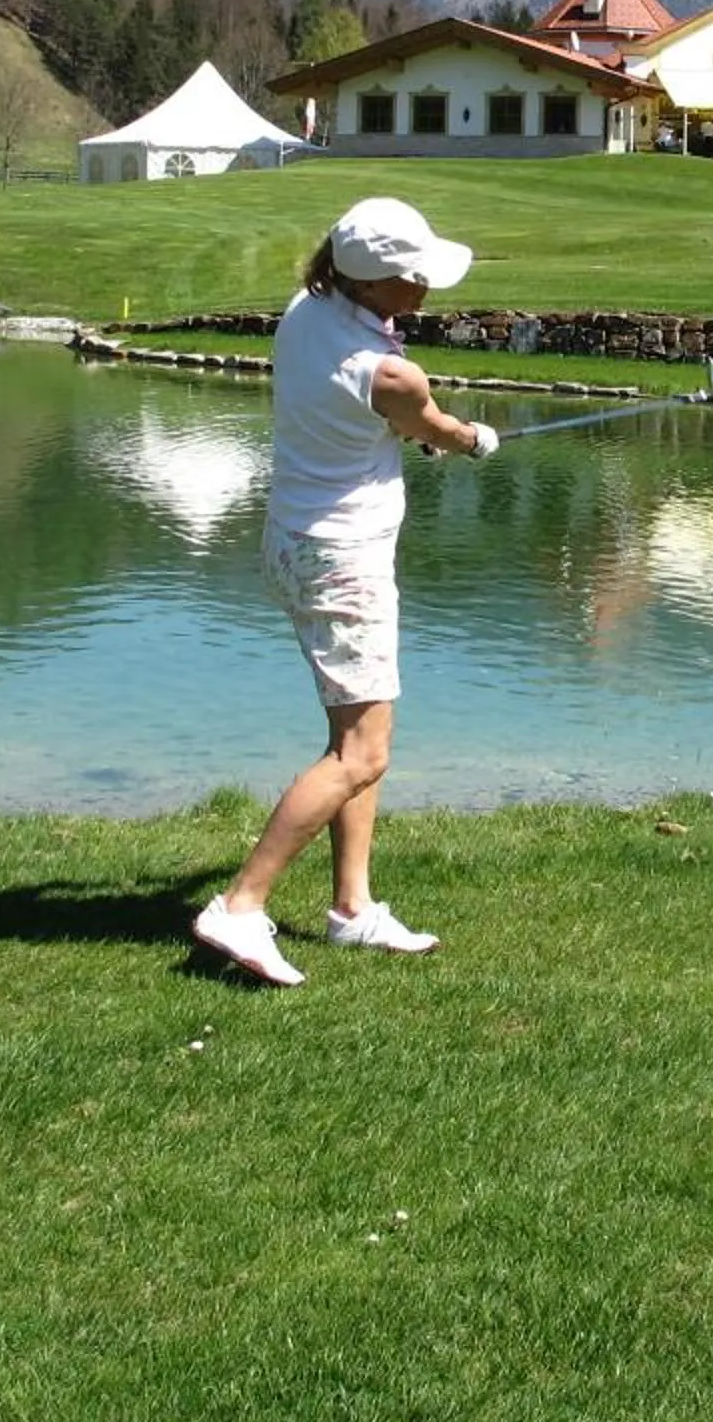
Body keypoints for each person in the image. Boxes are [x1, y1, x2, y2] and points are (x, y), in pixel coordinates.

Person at [189, 196, 499, 987]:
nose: (427, 290)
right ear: (376, 281)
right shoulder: (392, 370)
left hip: (295, 541)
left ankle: (351, 910)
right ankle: (240, 907)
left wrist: (413, 437)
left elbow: (385, 424)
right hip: (342, 561)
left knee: (356, 737)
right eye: (415, 277)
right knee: (362, 752)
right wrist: (469, 440)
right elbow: (428, 422)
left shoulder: (309, 307)